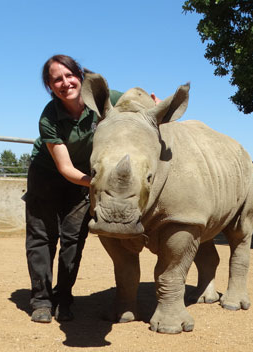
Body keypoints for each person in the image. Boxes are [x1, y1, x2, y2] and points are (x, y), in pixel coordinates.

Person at [24, 54, 159, 323]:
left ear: (80, 78)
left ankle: (64, 298)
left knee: (74, 238)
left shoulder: (104, 101)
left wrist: (155, 106)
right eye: (56, 80)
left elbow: (140, 107)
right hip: (48, 176)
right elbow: (65, 169)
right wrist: (100, 184)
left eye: (69, 75)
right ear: (50, 87)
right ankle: (41, 300)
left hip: (86, 176)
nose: (65, 83)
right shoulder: (49, 117)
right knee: (43, 237)